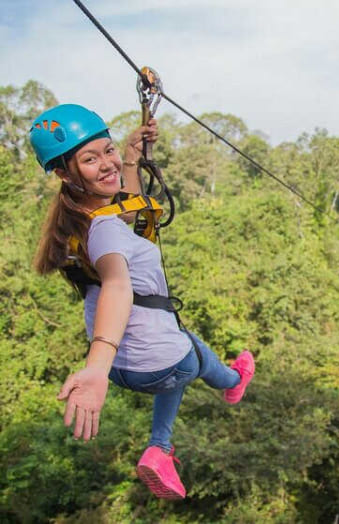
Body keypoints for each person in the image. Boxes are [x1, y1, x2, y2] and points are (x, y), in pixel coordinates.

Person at [29, 103, 255, 500]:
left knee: (176, 355)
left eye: (108, 150)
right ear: (65, 173)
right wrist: (95, 368)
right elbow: (117, 285)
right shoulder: (104, 231)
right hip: (130, 364)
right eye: (89, 159)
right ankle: (235, 383)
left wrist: (131, 159)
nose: (106, 164)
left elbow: (124, 212)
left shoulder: (80, 220)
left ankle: (160, 447)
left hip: (123, 370)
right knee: (193, 357)